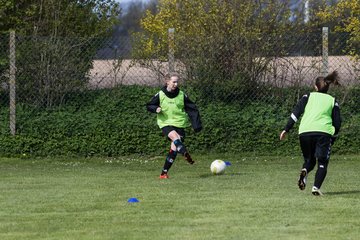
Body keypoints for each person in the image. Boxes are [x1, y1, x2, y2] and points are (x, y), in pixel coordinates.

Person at [279, 71, 341, 196]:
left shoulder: (307, 96)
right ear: (327, 87)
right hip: (324, 132)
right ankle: (315, 188)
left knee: (309, 160)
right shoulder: (332, 100)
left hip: (305, 132)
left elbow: (295, 113)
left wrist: (286, 129)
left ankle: (304, 171)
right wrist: (333, 136)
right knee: (322, 162)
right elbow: (337, 122)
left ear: (316, 87)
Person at [146, 73, 202, 179]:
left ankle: (163, 173)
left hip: (180, 123)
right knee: (175, 138)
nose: (176, 84)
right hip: (165, 122)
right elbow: (150, 105)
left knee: (174, 150)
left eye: (177, 82)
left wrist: (196, 125)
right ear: (167, 82)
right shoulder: (161, 94)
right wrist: (155, 109)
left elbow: (192, 108)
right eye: (174, 82)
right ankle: (185, 152)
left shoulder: (181, 94)